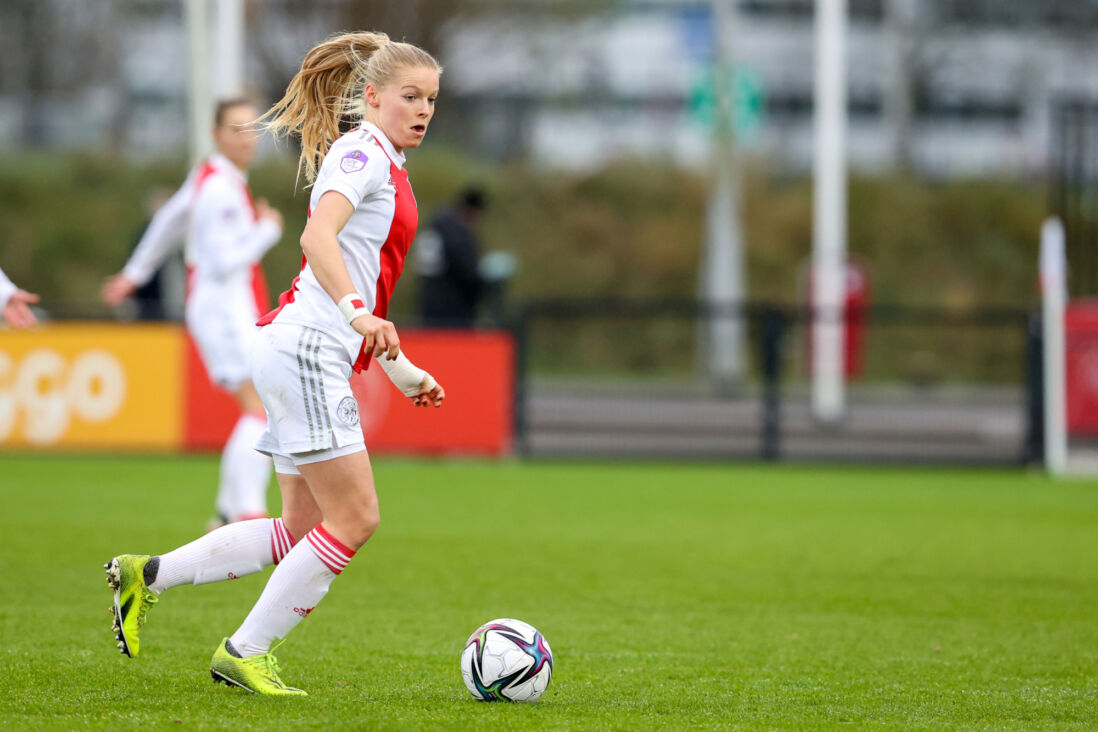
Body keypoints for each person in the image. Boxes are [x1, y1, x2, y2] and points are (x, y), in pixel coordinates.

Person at [104, 31, 445, 696]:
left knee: (303, 527)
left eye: (431, 98)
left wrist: (400, 367)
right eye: (410, 96)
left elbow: (362, 281)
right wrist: (355, 312)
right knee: (356, 519)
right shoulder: (362, 152)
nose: (423, 109)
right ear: (372, 98)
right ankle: (245, 650)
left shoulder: (388, 162)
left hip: (301, 344)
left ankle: (146, 576)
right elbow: (316, 236)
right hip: (308, 349)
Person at [102, 99, 284, 528]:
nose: (247, 137)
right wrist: (268, 229)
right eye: (236, 128)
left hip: (222, 307)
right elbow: (222, 263)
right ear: (216, 134)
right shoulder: (221, 189)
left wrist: (134, 272)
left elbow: (168, 219)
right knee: (263, 408)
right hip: (223, 309)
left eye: (252, 128)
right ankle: (246, 511)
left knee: (261, 407)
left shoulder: (211, 178)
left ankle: (227, 512)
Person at [415, 186, 487, 327]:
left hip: (428, 301)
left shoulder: (435, 225)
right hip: (453, 309)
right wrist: (484, 284)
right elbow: (467, 271)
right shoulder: (456, 232)